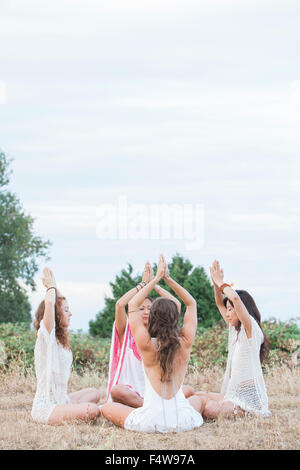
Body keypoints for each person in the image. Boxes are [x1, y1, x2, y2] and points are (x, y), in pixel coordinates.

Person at [101, 255, 204, 433]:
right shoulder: (185, 342)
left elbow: (132, 304)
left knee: (106, 408)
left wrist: (154, 280)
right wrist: (167, 279)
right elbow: (191, 303)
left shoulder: (146, 344)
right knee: (197, 401)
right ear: (175, 318)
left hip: (152, 421)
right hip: (183, 420)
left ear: (153, 317)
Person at [106, 261, 195, 407]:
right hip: (132, 392)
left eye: (150, 308)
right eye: (142, 309)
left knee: (189, 390)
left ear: (155, 313)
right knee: (117, 392)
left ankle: (153, 406)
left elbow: (176, 305)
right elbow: (120, 304)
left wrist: (155, 284)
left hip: (156, 390)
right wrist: (144, 284)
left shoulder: (162, 335)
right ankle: (150, 405)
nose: (146, 311)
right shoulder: (127, 331)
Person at [195, 260, 271, 419]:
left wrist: (221, 282)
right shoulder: (234, 330)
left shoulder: (251, 329)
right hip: (232, 394)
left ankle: (248, 413)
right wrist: (215, 285)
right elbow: (218, 302)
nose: (227, 313)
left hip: (249, 400)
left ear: (242, 309)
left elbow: (235, 299)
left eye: (231, 310)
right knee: (195, 394)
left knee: (209, 409)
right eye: (227, 310)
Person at [31, 267, 101, 425]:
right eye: (66, 311)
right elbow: (50, 305)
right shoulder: (46, 337)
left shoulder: (60, 341)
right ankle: (76, 411)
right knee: (93, 410)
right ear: (56, 315)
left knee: (94, 393)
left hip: (61, 400)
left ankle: (71, 410)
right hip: (46, 407)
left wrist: (56, 287)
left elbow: (56, 301)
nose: (70, 314)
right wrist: (51, 288)